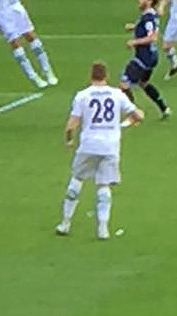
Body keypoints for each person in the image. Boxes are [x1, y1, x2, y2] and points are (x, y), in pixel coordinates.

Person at [56, 61, 144, 239]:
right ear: (106, 76)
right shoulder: (117, 94)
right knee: (104, 185)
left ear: (91, 76)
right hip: (110, 145)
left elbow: (72, 124)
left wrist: (69, 140)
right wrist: (127, 123)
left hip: (89, 144)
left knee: (77, 179)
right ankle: (103, 229)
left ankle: (65, 223)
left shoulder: (82, 95)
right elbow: (138, 115)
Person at [120, 0, 171, 120]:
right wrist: (135, 26)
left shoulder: (148, 17)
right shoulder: (150, 14)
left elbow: (153, 37)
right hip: (152, 56)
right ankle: (164, 108)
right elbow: (150, 27)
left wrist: (134, 42)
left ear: (149, 1)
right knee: (143, 83)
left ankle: (133, 114)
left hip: (144, 57)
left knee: (124, 83)